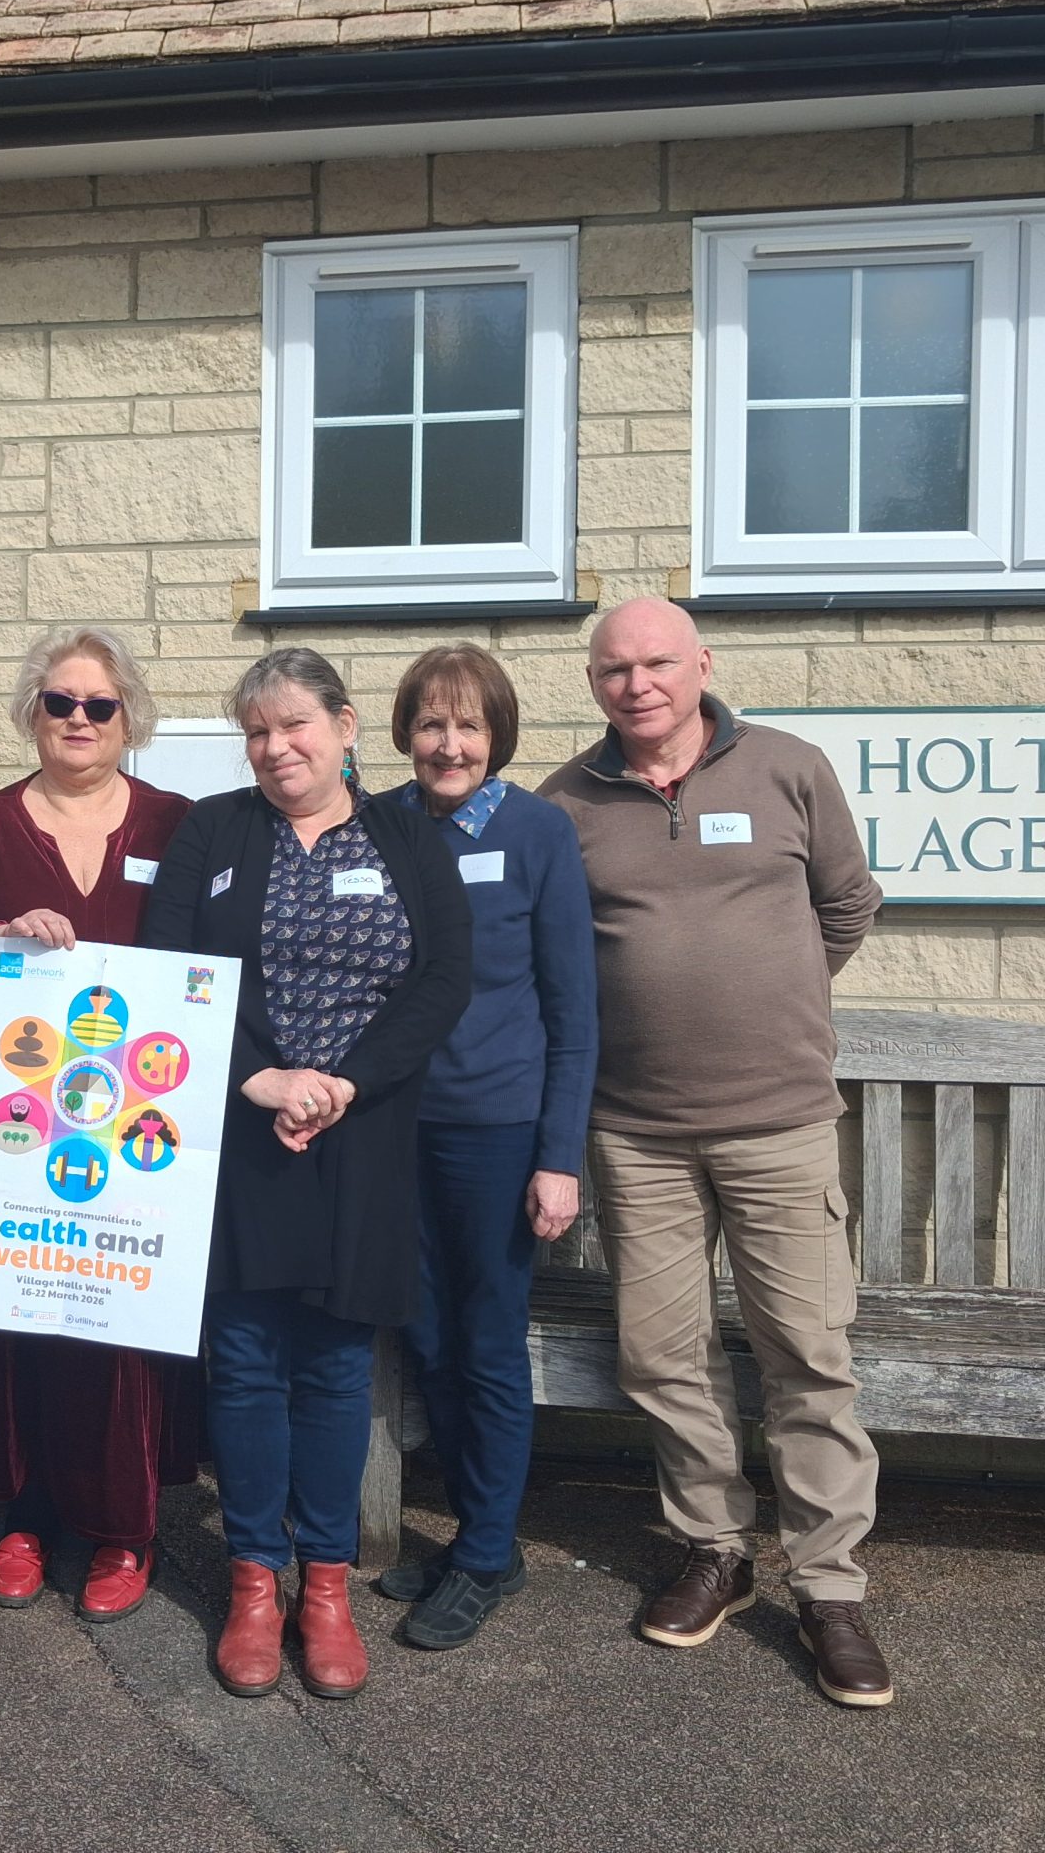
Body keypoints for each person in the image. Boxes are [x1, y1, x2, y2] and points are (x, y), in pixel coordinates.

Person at [538, 595, 892, 1708]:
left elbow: (845, 905)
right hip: (635, 1133)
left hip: (779, 1124)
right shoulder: (566, 801)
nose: (635, 685)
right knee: (661, 1353)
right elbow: (553, 959)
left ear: (701, 664)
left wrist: (768, 1003)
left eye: (655, 664)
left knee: (805, 1353)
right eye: (612, 671)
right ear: (592, 683)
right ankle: (716, 1550)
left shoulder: (788, 768)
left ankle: (829, 1589)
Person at [138, 648, 471, 1701]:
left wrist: (340, 1087)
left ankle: (322, 1587)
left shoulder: (408, 833)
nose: (276, 748)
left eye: (295, 726)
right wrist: (258, 1081)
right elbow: (169, 972)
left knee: (334, 1368)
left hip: (361, 1140)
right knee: (239, 1362)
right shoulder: (215, 830)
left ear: (344, 725)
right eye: (257, 731)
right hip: (239, 1136)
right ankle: (251, 1581)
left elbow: (442, 980)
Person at [0, 626, 193, 1623]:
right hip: (21, 1121)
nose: (77, 720)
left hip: (140, 1121)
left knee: (120, 1337)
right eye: (59, 702)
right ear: (33, 711)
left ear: (127, 718)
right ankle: (23, 1519)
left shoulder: (175, 822)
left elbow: (206, 962)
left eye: (97, 705)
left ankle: (123, 1529)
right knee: (18, 1317)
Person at [378, 644, 598, 1651]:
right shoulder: (377, 825)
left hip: (498, 1132)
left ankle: (484, 1550)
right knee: (423, 1336)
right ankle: (483, 1534)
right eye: (430, 723)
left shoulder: (536, 832)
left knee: (486, 1342)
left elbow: (572, 1008)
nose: (448, 743)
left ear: (497, 734)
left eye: (467, 725)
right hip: (392, 1130)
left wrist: (560, 1157)